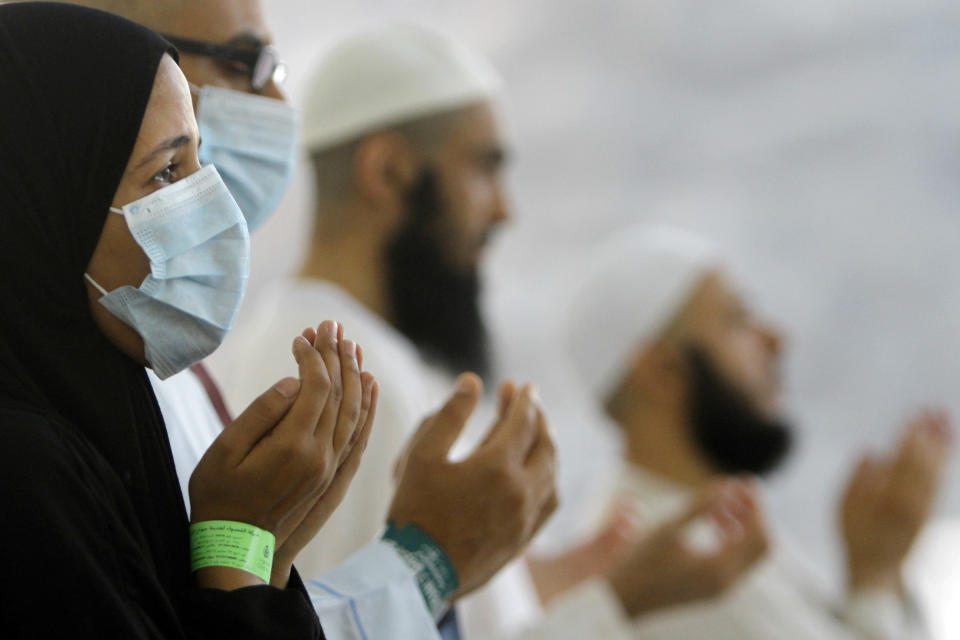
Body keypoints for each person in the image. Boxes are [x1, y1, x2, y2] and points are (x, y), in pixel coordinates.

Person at [213, 24, 770, 639]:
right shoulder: (336, 372)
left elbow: (414, 606)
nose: (504, 210)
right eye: (484, 168)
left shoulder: (363, 354)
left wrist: (554, 576)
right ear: (389, 171)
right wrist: (621, 601)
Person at [64, 2, 560, 638]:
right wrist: (427, 561)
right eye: (248, 65)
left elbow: (252, 601)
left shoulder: (170, 360)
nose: (280, 101)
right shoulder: (323, 363)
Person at [0, 3, 379, 636]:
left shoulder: (100, 408)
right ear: (43, 206)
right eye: (168, 172)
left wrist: (267, 554)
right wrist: (238, 544)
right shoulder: (23, 472)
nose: (211, 203)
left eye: (198, 162)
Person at [557, 224, 952, 639]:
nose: (777, 339)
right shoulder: (675, 555)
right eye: (738, 320)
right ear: (663, 372)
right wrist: (876, 575)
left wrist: (877, 569)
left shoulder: (704, 515)